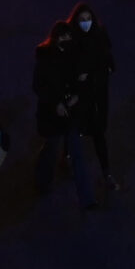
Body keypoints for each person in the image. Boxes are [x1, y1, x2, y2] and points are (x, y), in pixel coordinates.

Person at [29, 17, 97, 210]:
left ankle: (87, 199)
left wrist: (76, 96)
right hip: (53, 115)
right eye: (63, 37)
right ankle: (42, 181)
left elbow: (82, 83)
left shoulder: (73, 57)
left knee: (77, 154)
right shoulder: (45, 59)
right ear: (56, 38)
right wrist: (56, 103)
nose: (67, 41)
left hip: (70, 114)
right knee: (51, 149)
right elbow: (38, 86)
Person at [66, 1, 118, 191]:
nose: (86, 23)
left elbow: (108, 60)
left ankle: (106, 173)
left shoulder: (100, 36)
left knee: (97, 131)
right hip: (81, 95)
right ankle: (70, 159)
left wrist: (103, 69)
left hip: (97, 93)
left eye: (88, 19)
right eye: (82, 20)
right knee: (77, 129)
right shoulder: (73, 42)